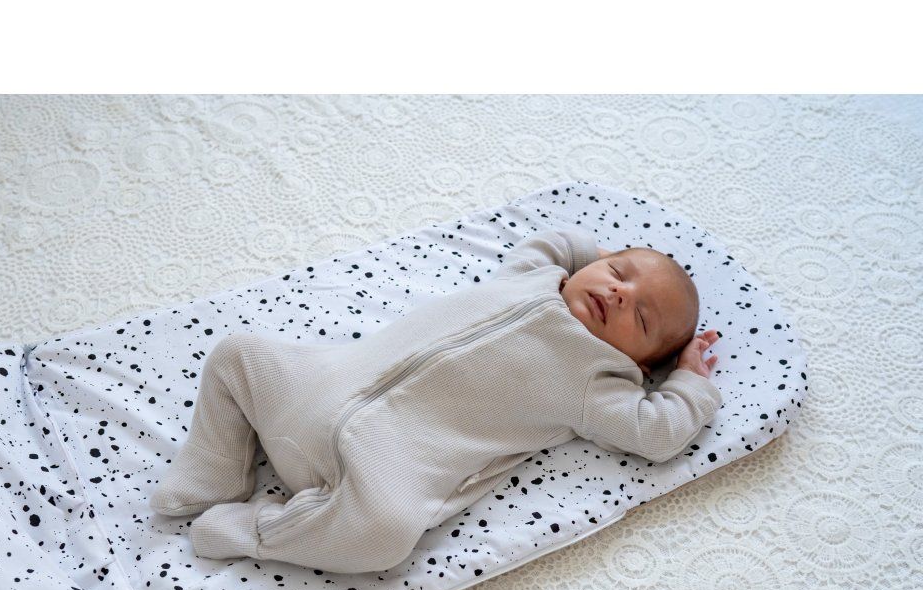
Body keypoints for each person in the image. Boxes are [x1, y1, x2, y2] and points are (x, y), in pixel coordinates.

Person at [150, 227, 722, 572]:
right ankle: (214, 473)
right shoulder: (530, 275)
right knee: (238, 354)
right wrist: (591, 252)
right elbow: (550, 242)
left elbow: (658, 432)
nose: (620, 294)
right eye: (618, 272)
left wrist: (690, 378)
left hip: (376, 472)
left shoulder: (599, 382)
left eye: (641, 317)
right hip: (313, 389)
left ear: (641, 366)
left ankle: (259, 531)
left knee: (385, 537)